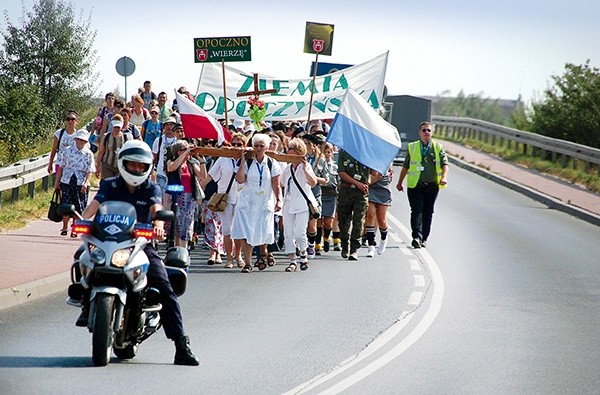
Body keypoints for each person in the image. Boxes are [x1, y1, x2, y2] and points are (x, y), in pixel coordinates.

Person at [79, 140, 199, 366]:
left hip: (139, 246)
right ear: (123, 164)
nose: (135, 170)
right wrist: (82, 219)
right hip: (106, 242)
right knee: (81, 258)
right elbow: (95, 204)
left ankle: (181, 345)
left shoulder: (151, 187)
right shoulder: (109, 184)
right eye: (131, 165)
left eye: (140, 166)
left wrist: (159, 224)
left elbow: (156, 209)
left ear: (147, 168)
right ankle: (84, 301)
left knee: (164, 288)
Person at [231, 133, 282, 273]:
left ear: (266, 147)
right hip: (248, 201)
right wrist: (242, 160)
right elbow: (240, 180)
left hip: (265, 201)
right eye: (256, 146)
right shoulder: (248, 162)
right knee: (247, 232)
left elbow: (276, 184)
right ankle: (248, 263)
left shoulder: (271, 163)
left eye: (261, 146)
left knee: (264, 229)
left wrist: (279, 200)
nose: (259, 148)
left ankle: (263, 253)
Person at [396, 121, 449, 248]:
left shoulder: (438, 147)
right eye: (424, 130)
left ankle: (424, 238)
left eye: (429, 130)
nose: (426, 132)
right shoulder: (412, 147)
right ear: (419, 133)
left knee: (428, 212)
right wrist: (399, 182)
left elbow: (445, 164)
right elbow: (406, 166)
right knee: (416, 210)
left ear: (432, 133)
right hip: (416, 185)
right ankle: (416, 237)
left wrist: (444, 177)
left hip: (432, 185)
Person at [201, 133, 247, 268]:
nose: (236, 147)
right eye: (234, 144)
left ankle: (238, 255)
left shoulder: (248, 159)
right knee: (227, 230)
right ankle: (229, 258)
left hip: (241, 198)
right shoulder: (223, 158)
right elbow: (210, 176)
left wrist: (244, 158)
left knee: (239, 230)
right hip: (225, 198)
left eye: (240, 144)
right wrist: (200, 188)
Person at [279, 138, 318, 271]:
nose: (289, 155)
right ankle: (292, 261)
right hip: (288, 204)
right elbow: (281, 183)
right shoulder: (287, 168)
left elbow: (313, 183)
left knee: (299, 233)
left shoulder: (305, 167)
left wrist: (306, 169)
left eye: (292, 152)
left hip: (302, 204)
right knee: (288, 234)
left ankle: (303, 253)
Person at [166, 139, 207, 249]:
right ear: (178, 151)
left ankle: (183, 250)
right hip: (176, 198)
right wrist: (185, 152)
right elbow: (172, 168)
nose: (188, 152)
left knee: (187, 225)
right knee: (176, 225)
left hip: (189, 198)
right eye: (184, 149)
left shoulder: (191, 164)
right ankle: (176, 249)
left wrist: (201, 160)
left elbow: (203, 175)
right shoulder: (171, 161)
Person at [54, 129, 95, 236]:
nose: (80, 142)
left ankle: (75, 229)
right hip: (67, 180)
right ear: (75, 139)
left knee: (78, 207)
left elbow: (90, 171)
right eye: (79, 140)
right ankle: (64, 227)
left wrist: (86, 183)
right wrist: (57, 182)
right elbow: (61, 168)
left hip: (80, 182)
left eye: (83, 141)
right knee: (66, 205)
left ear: (86, 142)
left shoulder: (88, 154)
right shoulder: (67, 151)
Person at [337, 149, 376, 260]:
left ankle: (354, 249)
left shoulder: (367, 152)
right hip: (346, 190)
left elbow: (375, 173)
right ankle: (345, 245)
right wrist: (357, 183)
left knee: (359, 220)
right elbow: (341, 172)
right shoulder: (344, 152)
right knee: (344, 220)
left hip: (361, 193)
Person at [365, 165, 393, 257]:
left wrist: (390, 173)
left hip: (383, 188)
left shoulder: (387, 157)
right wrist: (375, 177)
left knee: (381, 220)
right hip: (371, 187)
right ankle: (371, 246)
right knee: (370, 215)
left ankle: (384, 239)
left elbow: (390, 171)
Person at [95, 114, 133, 179]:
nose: (116, 129)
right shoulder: (106, 137)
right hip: (107, 165)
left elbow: (130, 154)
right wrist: (97, 166)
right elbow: (101, 152)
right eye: (115, 127)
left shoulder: (127, 138)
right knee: (108, 185)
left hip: (121, 167)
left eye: (118, 127)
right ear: (112, 126)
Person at [152, 116, 178, 198]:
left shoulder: (178, 141)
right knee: (161, 197)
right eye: (167, 125)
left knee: (174, 197)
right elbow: (154, 157)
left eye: (171, 124)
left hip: (175, 174)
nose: (169, 127)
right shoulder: (158, 140)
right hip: (161, 174)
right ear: (163, 127)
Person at [320, 142, 339, 253]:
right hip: (320, 193)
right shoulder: (318, 164)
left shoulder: (335, 166)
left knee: (328, 222)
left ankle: (326, 237)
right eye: (325, 152)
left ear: (332, 153)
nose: (327, 154)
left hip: (331, 194)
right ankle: (319, 242)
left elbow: (338, 180)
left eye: (329, 152)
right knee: (319, 220)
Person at [47, 110, 79, 175]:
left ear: (76, 122)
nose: (70, 121)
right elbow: (54, 149)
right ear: (65, 121)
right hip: (60, 163)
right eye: (68, 119)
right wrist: (50, 164)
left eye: (73, 119)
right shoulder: (59, 133)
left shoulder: (78, 135)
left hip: (73, 166)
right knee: (58, 184)